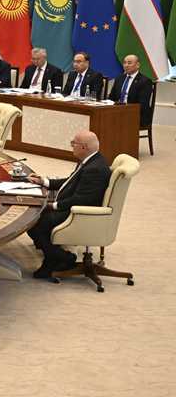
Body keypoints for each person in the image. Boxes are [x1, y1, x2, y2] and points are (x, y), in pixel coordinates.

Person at [26, 129, 110, 278]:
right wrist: (44, 182)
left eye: (73, 143)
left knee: (34, 222)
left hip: (81, 214)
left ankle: (59, 258)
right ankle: (55, 253)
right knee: (34, 216)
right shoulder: (90, 160)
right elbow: (70, 182)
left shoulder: (94, 169)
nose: (71, 146)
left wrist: (53, 205)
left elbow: (81, 200)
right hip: (74, 206)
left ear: (84, 147)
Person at [108, 54, 154, 128]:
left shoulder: (145, 81)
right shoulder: (119, 78)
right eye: (124, 63)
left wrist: (124, 109)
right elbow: (111, 97)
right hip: (118, 111)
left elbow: (142, 104)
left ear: (138, 65)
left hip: (136, 115)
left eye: (129, 63)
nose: (126, 65)